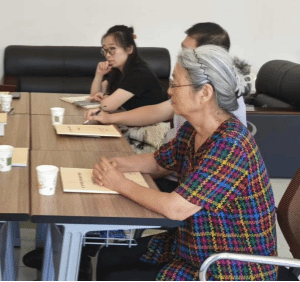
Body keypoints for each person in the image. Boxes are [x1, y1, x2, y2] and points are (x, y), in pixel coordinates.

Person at [93, 45, 277, 281]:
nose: (169, 91)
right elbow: (159, 162)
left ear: (205, 93)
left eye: (176, 84)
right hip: (194, 243)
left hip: (228, 266)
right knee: (109, 256)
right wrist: (118, 164)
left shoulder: (230, 145)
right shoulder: (195, 129)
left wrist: (120, 183)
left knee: (117, 276)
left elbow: (176, 208)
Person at [85, 23, 249, 141]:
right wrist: (109, 118)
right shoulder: (191, 94)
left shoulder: (223, 119)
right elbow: (156, 112)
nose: (170, 91)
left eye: (186, 52)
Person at [90, 25, 167, 112]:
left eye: (112, 49)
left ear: (129, 49)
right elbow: (93, 97)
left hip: (148, 121)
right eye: (105, 50)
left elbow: (106, 106)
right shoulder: (118, 71)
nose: (107, 55)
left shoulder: (139, 74)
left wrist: (105, 97)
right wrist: (99, 74)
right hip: (128, 118)